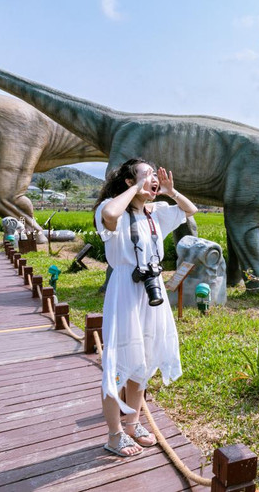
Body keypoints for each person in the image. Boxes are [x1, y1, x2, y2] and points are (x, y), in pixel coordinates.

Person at [93, 158, 197, 457]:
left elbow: (191, 211)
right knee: (117, 362)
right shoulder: (110, 210)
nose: (153, 178)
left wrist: (170, 192)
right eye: (146, 174)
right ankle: (114, 435)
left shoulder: (155, 213)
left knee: (143, 359)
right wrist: (136, 189)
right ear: (129, 182)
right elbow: (112, 212)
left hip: (152, 290)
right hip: (125, 289)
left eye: (154, 174)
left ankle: (134, 423)